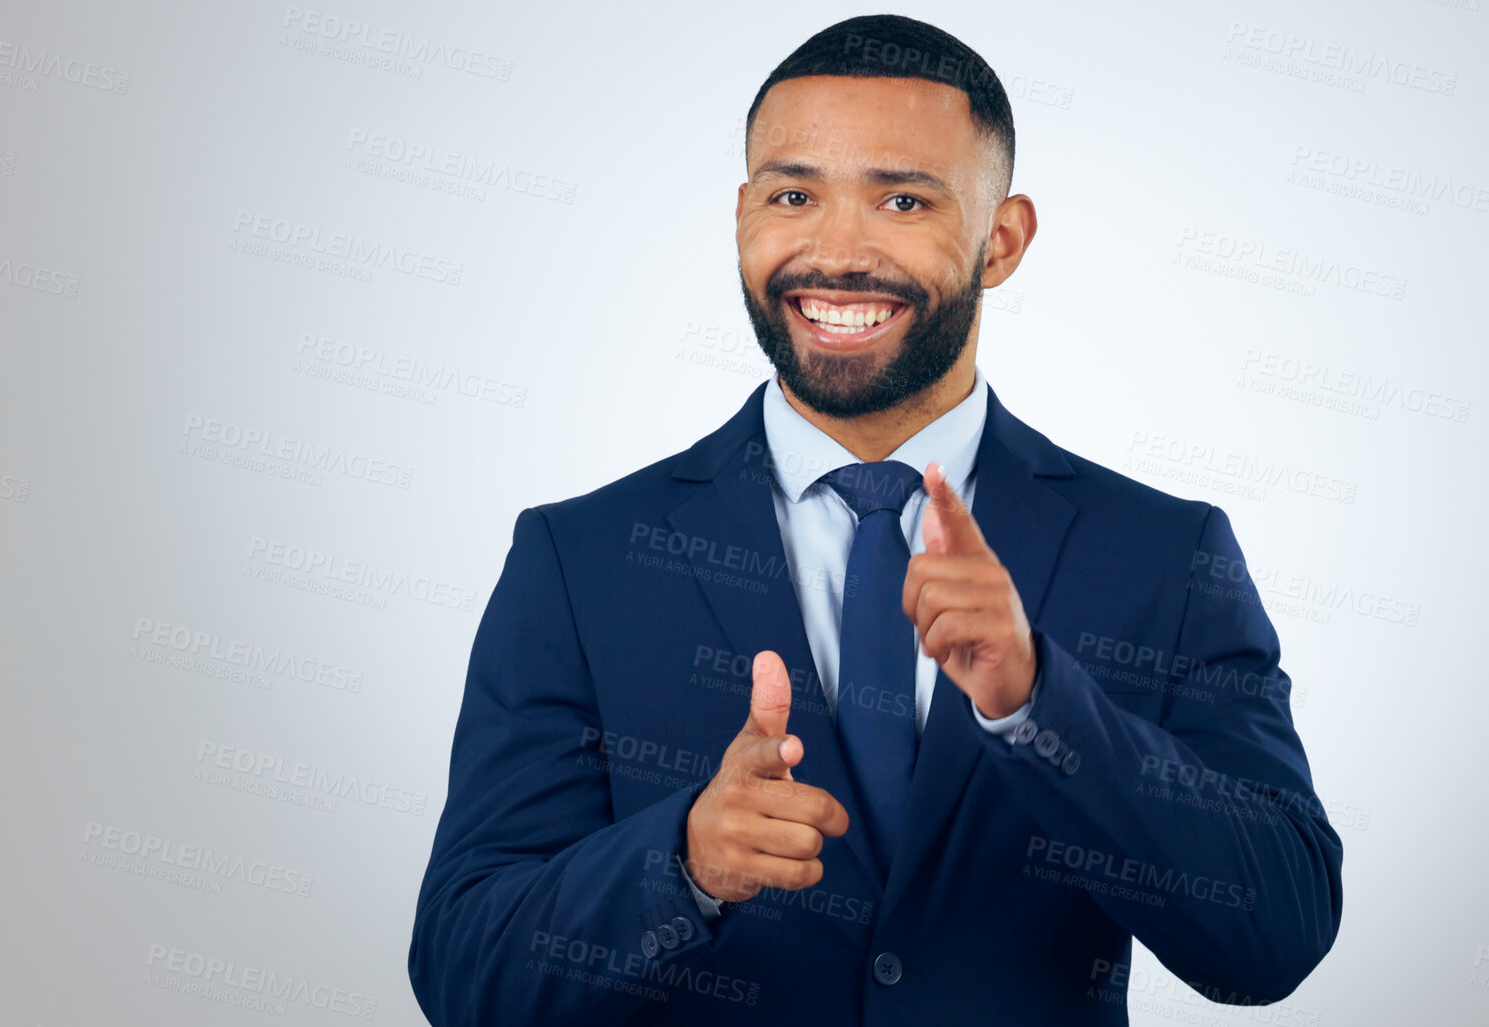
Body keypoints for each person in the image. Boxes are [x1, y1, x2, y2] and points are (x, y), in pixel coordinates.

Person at [408, 14, 1342, 1026]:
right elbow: (468, 975)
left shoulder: (1163, 554)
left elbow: (1274, 938)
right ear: (742, 216)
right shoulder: (578, 560)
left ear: (1003, 238)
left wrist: (1041, 704)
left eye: (902, 198)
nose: (837, 251)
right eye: (793, 194)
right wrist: (683, 863)